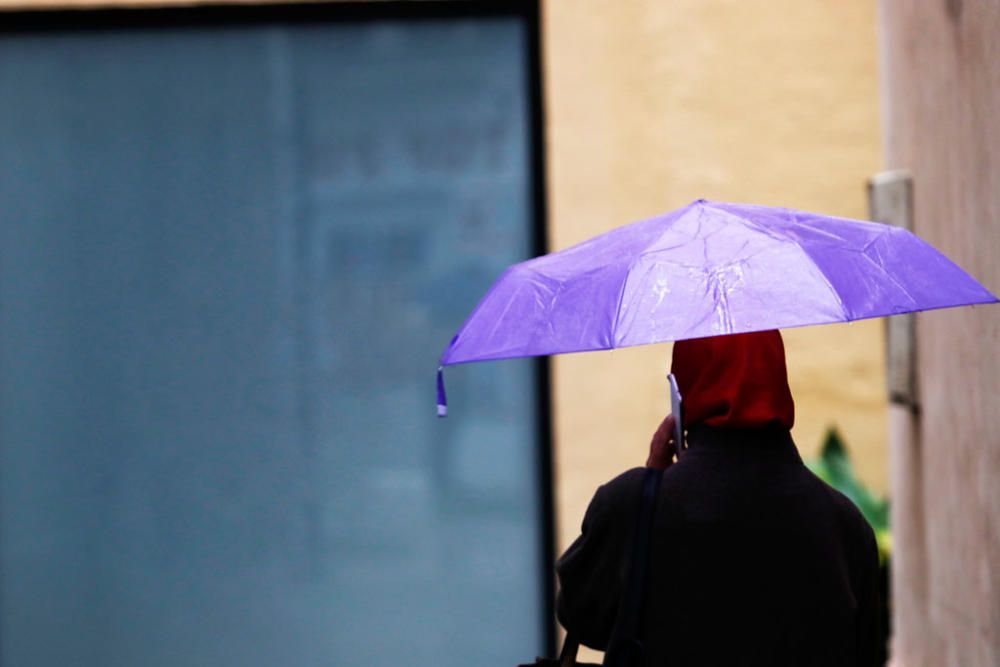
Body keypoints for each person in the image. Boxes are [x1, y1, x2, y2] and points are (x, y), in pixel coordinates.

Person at [555, 330, 881, 666]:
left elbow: (582, 616)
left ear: (682, 397)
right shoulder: (848, 527)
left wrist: (651, 484)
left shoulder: (633, 504)